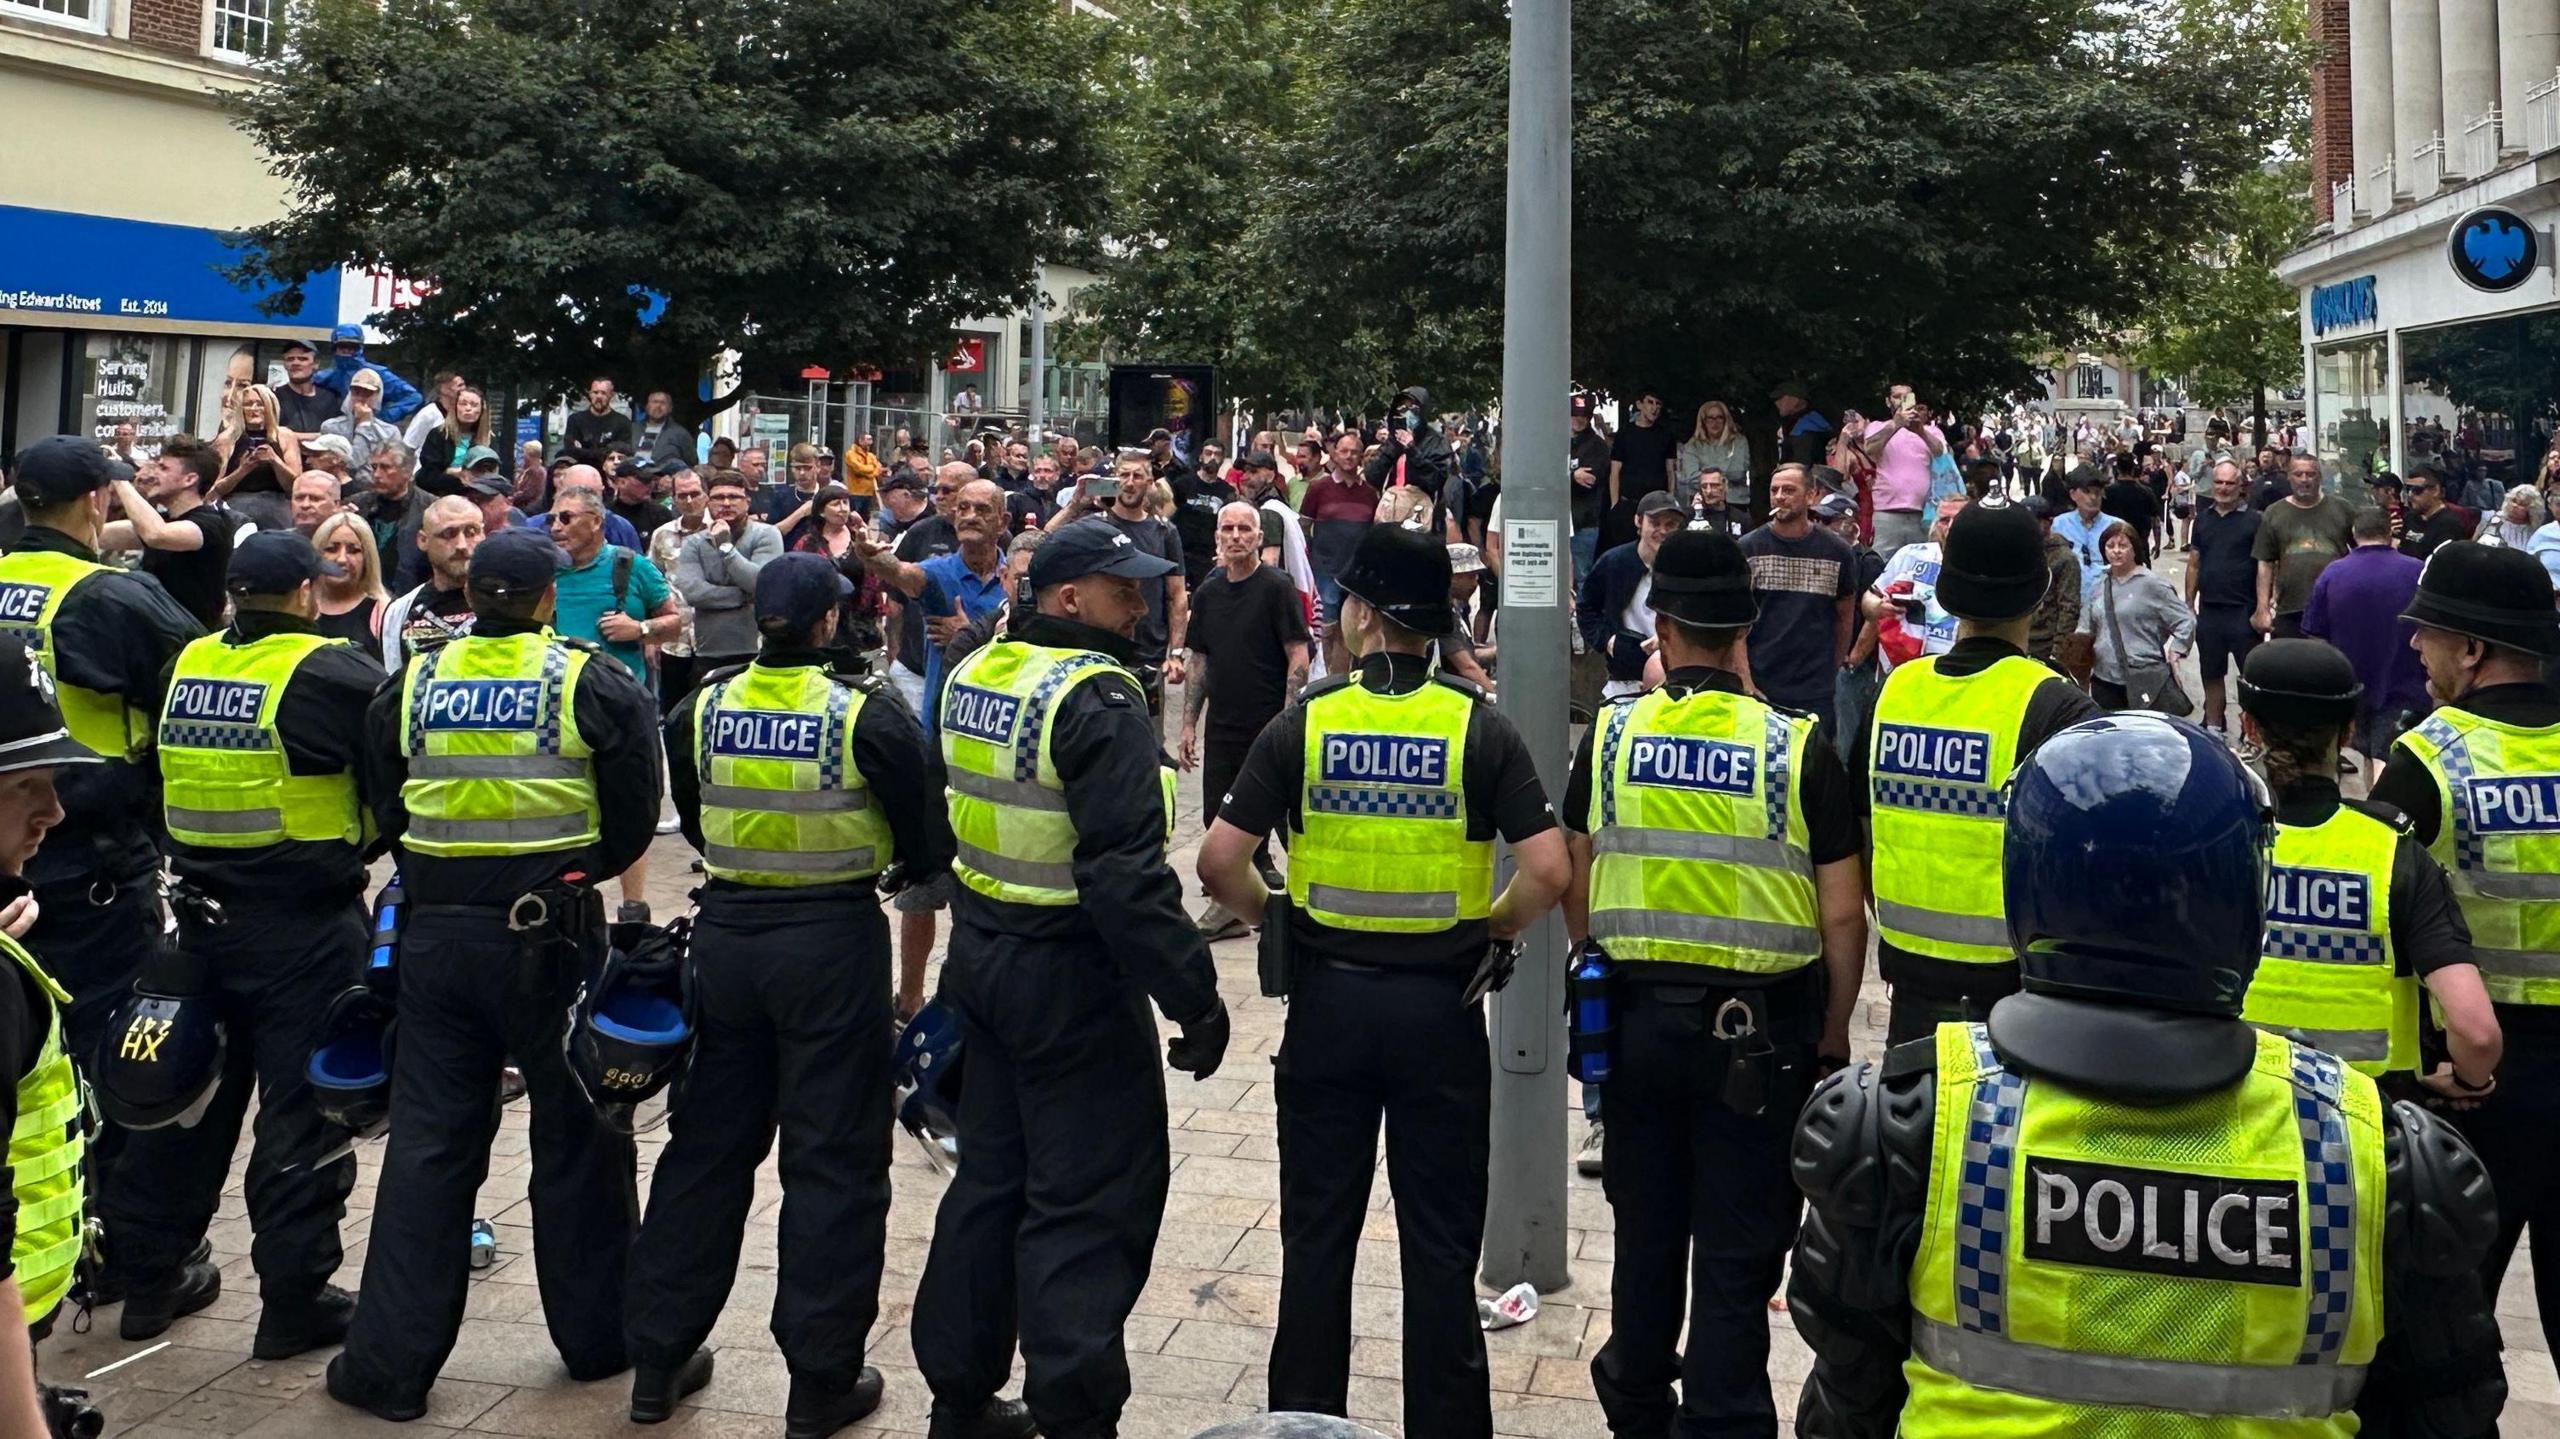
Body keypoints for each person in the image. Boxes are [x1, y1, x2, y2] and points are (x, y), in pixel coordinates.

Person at [1789, 710, 2506, 1438]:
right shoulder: (2376, 1160)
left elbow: (1848, 1404)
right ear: (2247, 900)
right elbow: (2448, 1411)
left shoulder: (1911, 1130)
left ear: (2024, 886)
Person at [1196, 523, 1567, 1439]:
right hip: (1441, 1011)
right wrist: (1494, 927)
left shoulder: (1307, 719)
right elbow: (1552, 870)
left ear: (1360, 616)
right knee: (1439, 1252)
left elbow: (1216, 861)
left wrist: (1273, 913)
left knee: (1316, 1243)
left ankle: (1306, 1423)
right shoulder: (1480, 728)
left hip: (1329, 1006)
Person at [329, 526, 662, 1421]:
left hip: (435, 935)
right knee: (581, 1138)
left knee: (429, 1145)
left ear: (470, 597)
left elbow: (387, 798)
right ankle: (601, 1341)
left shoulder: (414, 681)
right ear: (551, 598)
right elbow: (633, 822)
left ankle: (387, 1370)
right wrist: (564, 873)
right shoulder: (588, 679)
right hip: (550, 935)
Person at [911, 520, 1230, 1439]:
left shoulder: (977, 674)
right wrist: (1196, 1001)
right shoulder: (1098, 699)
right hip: (1072, 980)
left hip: (982, 963)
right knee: (1087, 1202)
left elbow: (942, 815)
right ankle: (1074, 1413)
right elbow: (1126, 880)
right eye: (1122, 589)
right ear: (1068, 599)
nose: (1142, 605)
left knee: (989, 1187)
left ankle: (961, 1400)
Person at [628, 553, 955, 1436]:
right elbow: (927, 844)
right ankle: (819, 1382)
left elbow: (693, 820)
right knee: (835, 1162)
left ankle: (655, 1361)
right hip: (830, 946)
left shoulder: (702, 707)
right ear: (823, 625)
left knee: (704, 1151)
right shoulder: (866, 715)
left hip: (728, 940)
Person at [1554, 527, 1865, 1438]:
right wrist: (1834, 1032)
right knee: (1736, 1256)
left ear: (1664, 622)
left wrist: (1599, 960)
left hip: (1637, 1032)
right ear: (1749, 625)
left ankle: (1638, 1408)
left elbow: (1577, 874)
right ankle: (1726, 1417)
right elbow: (1843, 916)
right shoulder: (1796, 748)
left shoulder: (1609, 737)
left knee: (1645, 1237)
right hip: (1760, 1043)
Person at [115, 531, 384, 1352]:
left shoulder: (188, 663)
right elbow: (390, 781)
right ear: (308, 592)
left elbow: (151, 778)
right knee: (301, 1116)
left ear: (234, 592)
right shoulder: (336, 673)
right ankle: (294, 1299)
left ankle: (148, 1282)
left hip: (196, 919)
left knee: (183, 1102)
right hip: (304, 927)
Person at [0, 438, 204, 1287]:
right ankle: (118, 1253)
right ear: (98, 501)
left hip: (12, 856)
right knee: (112, 1065)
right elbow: (196, 684)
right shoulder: (113, 595)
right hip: (88, 866)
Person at [2367, 541, 2560, 1376]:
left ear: (2474, 649)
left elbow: (2374, 914)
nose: (2416, 646)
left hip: (2474, 1084)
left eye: (2429, 632)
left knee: (2446, 1329)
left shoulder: (2427, 761)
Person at [1861, 499, 2101, 1044]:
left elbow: (1863, 828)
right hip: (2016, 995)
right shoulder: (2056, 706)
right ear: (2040, 593)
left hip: (1908, 975)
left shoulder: (1894, 692)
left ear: (1946, 592)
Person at [2233, 639, 2501, 1095]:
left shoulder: (2217, 843)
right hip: (2370, 1121)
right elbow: (2476, 1032)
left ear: (2249, 728)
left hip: (2239, 1102)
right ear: (2348, 732)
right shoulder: (2392, 852)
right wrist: (2467, 1081)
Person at [1182, 501, 1311, 938]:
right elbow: (1199, 660)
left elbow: (1298, 653)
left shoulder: (1276, 587)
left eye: (1244, 529)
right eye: (1228, 529)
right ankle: (1232, 908)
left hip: (1269, 725)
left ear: (1259, 537)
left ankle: (1309, 901)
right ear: (1217, 537)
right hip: (1223, 726)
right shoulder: (1209, 592)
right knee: (1218, 820)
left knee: (1287, 820)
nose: (1236, 536)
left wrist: (1287, 719)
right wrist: (1187, 725)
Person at [2302, 507, 2428, 783]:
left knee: (2364, 753)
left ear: (2355, 534)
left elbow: (2315, 634)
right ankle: (2384, 814)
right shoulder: (2416, 571)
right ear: (2389, 533)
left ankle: (2368, 812)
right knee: (2387, 755)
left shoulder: (2333, 573)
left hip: (2351, 682)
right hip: (2404, 682)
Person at [1738, 465, 1858, 730]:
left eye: (1789, 490)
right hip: (1760, 684)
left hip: (1814, 690)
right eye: (1774, 490)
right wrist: (1745, 681)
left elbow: (1844, 616)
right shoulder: (1748, 548)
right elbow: (1736, 625)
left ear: (1811, 496)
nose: (1780, 496)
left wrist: (1830, 672)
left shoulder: (1837, 551)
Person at [104, 435, 237, 630]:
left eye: (163, 468)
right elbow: (98, 534)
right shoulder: (165, 520)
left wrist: (119, 477)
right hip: (156, 634)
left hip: (191, 641)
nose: (153, 474)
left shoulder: (211, 523)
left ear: (189, 479)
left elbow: (156, 535)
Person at [1093, 453, 1189, 715]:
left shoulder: (1164, 532)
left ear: (1149, 483)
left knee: (1150, 738)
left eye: (1137, 476)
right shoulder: (1095, 527)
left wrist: (1176, 653)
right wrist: (1076, 505)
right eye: (1124, 475)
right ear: (1114, 480)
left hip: (1150, 652)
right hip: (1103, 649)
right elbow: (1043, 543)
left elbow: (1177, 595)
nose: (1130, 482)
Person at [676, 471, 786, 677]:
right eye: (718, 497)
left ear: (747, 501)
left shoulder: (767, 534)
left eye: (734, 497)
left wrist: (726, 547)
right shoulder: (694, 542)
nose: (726, 503)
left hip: (758, 649)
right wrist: (746, 596)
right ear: (708, 503)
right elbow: (693, 593)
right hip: (708, 650)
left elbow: (758, 583)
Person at [2185, 457, 2263, 742]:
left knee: (2250, 678)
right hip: (2210, 611)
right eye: (2219, 482)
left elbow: (2266, 566)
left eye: (2230, 483)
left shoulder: (2255, 521)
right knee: (2211, 673)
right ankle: (2215, 727)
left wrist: (2265, 605)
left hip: (2244, 611)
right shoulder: (2202, 520)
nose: (2224, 488)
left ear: (2241, 486)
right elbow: (2194, 563)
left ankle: (2252, 732)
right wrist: (2188, 602)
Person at [1580, 492, 1685, 703]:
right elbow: (1586, 607)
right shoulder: (1613, 562)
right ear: (1638, 521)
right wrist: (1608, 641)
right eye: (1655, 523)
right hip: (1624, 680)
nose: (1663, 531)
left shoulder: (1686, 566)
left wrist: (1672, 636)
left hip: (1676, 679)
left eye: (1671, 524)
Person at [2077, 526, 2194, 712]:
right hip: (2104, 679)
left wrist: (2177, 650)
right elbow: (2085, 627)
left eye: (2123, 545)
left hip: (2143, 675)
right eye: (2110, 546)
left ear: (2134, 549)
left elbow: (2185, 620)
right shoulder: (2099, 585)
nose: (2116, 551)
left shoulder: (2152, 584)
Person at [2255, 452, 2358, 639]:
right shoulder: (2274, 513)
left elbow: (2362, 552)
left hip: (2335, 608)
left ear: (2319, 476)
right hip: (2290, 609)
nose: (2304, 480)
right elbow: (2265, 562)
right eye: (2298, 474)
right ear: (2289, 476)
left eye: (2310, 474)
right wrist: (2262, 608)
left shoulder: (2343, 509)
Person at [378, 495, 483, 671]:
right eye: (448, 534)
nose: (462, 545)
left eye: (471, 532)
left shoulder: (505, 602)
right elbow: (393, 680)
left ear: (484, 534)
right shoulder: (400, 611)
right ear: (423, 540)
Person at [647, 467, 713, 716]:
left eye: (695, 494)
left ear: (706, 495)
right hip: (674, 639)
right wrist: (651, 637)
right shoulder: (662, 535)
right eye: (682, 495)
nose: (689, 501)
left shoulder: (721, 530)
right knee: (673, 711)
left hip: (714, 637)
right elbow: (652, 587)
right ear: (673, 498)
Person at [310, 509, 388, 645]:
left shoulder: (385, 613)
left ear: (367, 559)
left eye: (353, 551)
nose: (341, 559)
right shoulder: (298, 607)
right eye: (331, 549)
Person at [2021, 495, 2080, 666]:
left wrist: (2057, 652)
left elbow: (2069, 607)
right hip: (2018, 640)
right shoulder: (2018, 550)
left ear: (2049, 522)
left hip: (2045, 645)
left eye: (2036, 521)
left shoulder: (2064, 559)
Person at [1677, 399, 1752, 528]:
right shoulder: (1692, 445)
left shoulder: (1739, 441)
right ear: (1703, 421)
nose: (1715, 422)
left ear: (1726, 419)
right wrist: (1721, 475)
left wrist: (1706, 473)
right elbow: (1691, 477)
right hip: (1703, 505)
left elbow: (1739, 472)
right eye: (1710, 418)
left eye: (1719, 418)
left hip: (1737, 503)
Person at [319, 368, 404, 474]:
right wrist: (364, 425)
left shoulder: (390, 432)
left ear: (377, 396)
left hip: (375, 486)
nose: (360, 398)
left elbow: (395, 468)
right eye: (356, 392)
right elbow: (352, 463)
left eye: (367, 393)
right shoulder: (331, 427)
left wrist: (365, 423)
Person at [2397, 466, 2471, 561]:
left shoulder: (2449, 525)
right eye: (2408, 489)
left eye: (2417, 490)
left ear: (2436, 490)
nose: (2410, 495)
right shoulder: (2410, 517)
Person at [272, 337, 342, 437]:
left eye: (303, 359)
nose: (295, 363)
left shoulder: (330, 399)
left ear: (316, 364)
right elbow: (272, 434)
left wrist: (292, 436)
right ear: (284, 364)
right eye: (290, 359)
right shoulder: (273, 398)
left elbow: (337, 436)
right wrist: (318, 436)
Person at [2098, 451, 2160, 565]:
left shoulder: (2107, 493)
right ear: (2133, 469)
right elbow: (2155, 521)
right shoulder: (2146, 492)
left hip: (2113, 549)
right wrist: (2157, 543)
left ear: (2117, 470)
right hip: (2140, 548)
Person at [563, 377, 634, 462]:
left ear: (611, 395)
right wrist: (606, 450)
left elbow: (622, 452)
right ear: (590, 394)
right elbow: (570, 451)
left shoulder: (622, 422)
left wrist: (583, 450)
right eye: (595, 392)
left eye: (603, 393)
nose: (599, 396)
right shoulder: (575, 420)